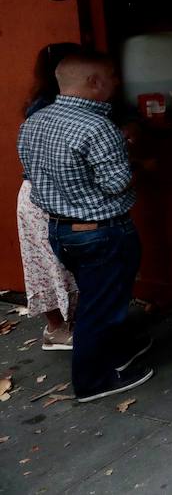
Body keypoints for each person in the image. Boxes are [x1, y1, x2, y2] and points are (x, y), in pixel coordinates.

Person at [18, 50, 152, 401]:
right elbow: (115, 183)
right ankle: (93, 381)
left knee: (99, 298)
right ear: (94, 82)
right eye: (110, 76)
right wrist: (132, 157)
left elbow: (32, 176)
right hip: (101, 230)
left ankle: (115, 355)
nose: (117, 82)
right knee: (99, 305)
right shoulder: (99, 127)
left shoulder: (35, 121)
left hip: (61, 230)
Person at [15, 43, 82, 352]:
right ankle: (57, 329)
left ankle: (65, 325)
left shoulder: (42, 104)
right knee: (51, 264)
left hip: (37, 194)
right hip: (45, 197)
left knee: (52, 264)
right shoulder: (48, 108)